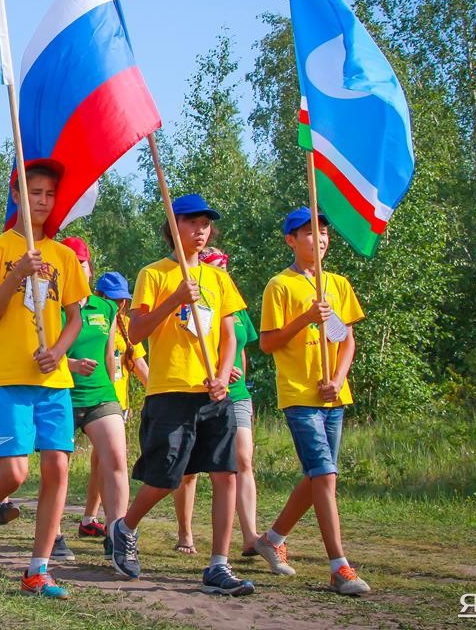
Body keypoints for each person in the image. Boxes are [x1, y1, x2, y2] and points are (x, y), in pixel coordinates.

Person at [108, 194, 254, 597]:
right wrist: (174, 299)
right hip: (170, 389)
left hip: (213, 392)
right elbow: (134, 334)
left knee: (226, 474)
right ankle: (126, 526)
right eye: (192, 222)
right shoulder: (153, 274)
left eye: (206, 223)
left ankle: (218, 565)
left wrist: (224, 376)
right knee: (166, 477)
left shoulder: (219, 278)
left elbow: (230, 334)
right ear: (173, 228)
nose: (201, 230)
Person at [0, 162, 89, 599]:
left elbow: (74, 317)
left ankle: (38, 569)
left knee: (57, 467)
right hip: (7, 376)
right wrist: (17, 273)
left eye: (50, 194)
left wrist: (60, 351)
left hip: (52, 380)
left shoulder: (65, 256)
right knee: (14, 473)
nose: (42, 201)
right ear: (17, 194)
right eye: (34, 192)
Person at [253, 209, 370, 595]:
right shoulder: (279, 285)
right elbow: (268, 343)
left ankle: (271, 539)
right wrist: (305, 318)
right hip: (299, 395)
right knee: (325, 475)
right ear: (290, 240)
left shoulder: (337, 283)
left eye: (322, 232)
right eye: (308, 233)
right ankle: (339, 566)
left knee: (318, 475)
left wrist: (337, 379)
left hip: (333, 395)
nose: (318, 239)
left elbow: (347, 339)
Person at [169, 247, 262, 557]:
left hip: (234, 393)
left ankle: (250, 536)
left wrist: (238, 376)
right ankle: (185, 532)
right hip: (200, 389)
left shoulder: (236, 307)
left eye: (225, 267)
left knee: (242, 460)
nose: (222, 273)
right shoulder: (195, 303)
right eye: (216, 268)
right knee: (189, 470)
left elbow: (242, 347)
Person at [55, 237, 129, 565]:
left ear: (89, 267)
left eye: (81, 262)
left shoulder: (107, 308)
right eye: (68, 262)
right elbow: (39, 353)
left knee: (115, 458)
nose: (76, 267)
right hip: (61, 393)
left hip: (101, 395)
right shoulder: (47, 307)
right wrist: (69, 365)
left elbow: (109, 354)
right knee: (58, 468)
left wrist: (116, 395)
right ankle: (53, 533)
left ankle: (118, 534)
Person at [80, 272, 147, 540]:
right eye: (115, 299)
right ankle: (93, 518)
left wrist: (155, 391)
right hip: (88, 398)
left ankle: (103, 524)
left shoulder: (126, 325)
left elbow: (139, 363)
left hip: (117, 402)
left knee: (107, 461)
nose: (121, 305)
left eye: (124, 300)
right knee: (102, 462)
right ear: (101, 296)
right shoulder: (89, 318)